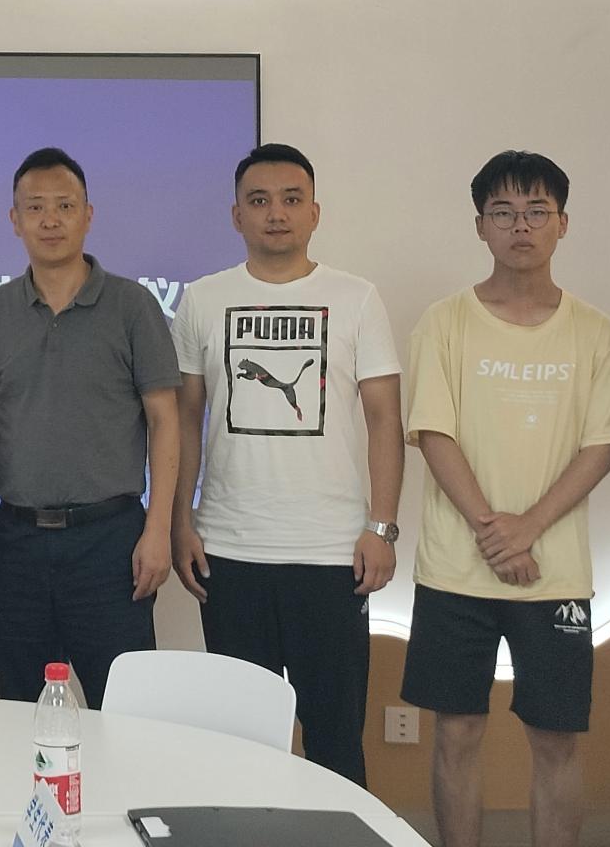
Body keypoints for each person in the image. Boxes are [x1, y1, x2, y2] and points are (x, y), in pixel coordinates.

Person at [400, 150, 610, 847]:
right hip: (454, 571)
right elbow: (434, 433)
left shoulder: (595, 332)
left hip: (554, 576)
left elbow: (601, 448)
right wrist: (494, 533)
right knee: (457, 733)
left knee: (556, 741)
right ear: (480, 225)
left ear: (563, 223)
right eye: (503, 212)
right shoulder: (444, 322)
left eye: (537, 211)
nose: (521, 226)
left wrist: (527, 528)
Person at [171, 142, 403, 787]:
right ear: (236, 215)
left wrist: (381, 527)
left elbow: (385, 419)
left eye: (291, 199)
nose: (276, 213)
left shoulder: (356, 298)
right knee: (241, 741)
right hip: (230, 551)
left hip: (332, 555)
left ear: (314, 213)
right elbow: (185, 420)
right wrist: (180, 521)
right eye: (260, 200)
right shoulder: (202, 300)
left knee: (334, 738)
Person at [0, 146, 181, 708]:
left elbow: (164, 420)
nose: (50, 220)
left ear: (88, 215)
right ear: (15, 220)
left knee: (123, 712)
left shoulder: (132, 306)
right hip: (15, 543)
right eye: (35, 207)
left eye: (64, 205)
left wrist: (157, 530)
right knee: (18, 709)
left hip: (110, 542)